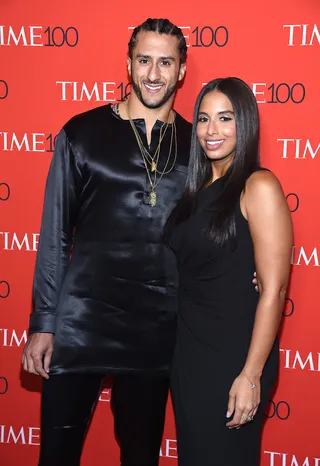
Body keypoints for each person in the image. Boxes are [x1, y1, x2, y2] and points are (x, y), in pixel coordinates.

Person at [22, 18, 190, 466]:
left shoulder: (198, 144)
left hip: (155, 327)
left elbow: (214, 232)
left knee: (140, 456)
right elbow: (56, 233)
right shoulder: (82, 132)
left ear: (182, 70)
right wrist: (45, 321)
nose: (153, 74)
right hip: (81, 321)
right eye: (144, 60)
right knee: (56, 456)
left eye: (165, 62)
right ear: (129, 63)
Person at [165, 77, 293, 466]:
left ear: (246, 123)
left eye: (225, 118)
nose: (211, 130)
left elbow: (274, 289)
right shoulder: (194, 188)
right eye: (203, 119)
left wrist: (250, 375)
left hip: (233, 357)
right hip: (188, 354)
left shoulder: (259, 185)